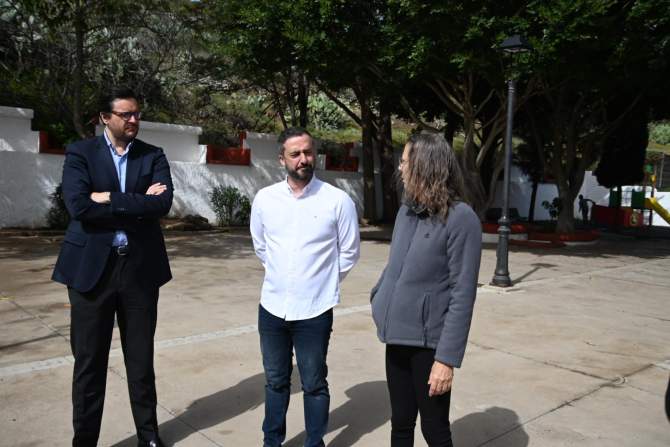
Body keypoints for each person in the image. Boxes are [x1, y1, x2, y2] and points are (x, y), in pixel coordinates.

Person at [52, 87, 173, 447]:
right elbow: (78, 206)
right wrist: (136, 203)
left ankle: (148, 437)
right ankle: (85, 440)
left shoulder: (153, 155)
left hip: (139, 270)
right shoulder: (80, 153)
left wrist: (108, 198)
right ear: (106, 118)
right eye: (126, 114)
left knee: (141, 360)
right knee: (89, 363)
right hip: (91, 272)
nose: (134, 120)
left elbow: (161, 204)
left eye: (137, 113)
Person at [250, 127, 360, 447]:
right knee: (275, 381)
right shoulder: (265, 199)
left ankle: (314, 443)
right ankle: (272, 442)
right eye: (295, 154)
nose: (303, 159)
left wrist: (321, 283)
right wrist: (282, 276)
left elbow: (349, 252)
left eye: (308, 152)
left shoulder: (337, 201)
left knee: (313, 383)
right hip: (272, 308)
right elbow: (261, 246)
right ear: (281, 159)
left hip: (314, 310)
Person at [370, 133, 481, 446]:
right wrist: (380, 296)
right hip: (396, 337)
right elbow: (395, 267)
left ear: (426, 167)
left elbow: (462, 295)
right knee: (400, 424)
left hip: (429, 346)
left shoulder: (461, 219)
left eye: (405, 162)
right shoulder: (406, 211)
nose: (400, 168)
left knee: (434, 430)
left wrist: (446, 360)